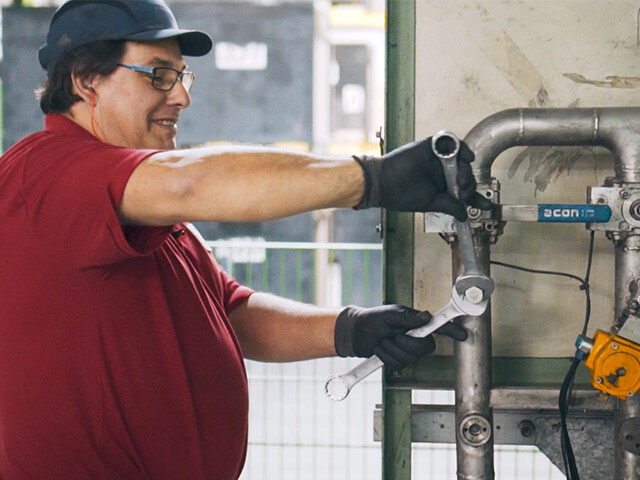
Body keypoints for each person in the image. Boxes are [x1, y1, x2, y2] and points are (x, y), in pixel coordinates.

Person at [0, 1, 491, 479]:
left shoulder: (139, 209)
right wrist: (373, 179)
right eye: (158, 75)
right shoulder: (43, 171)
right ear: (86, 81)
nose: (181, 97)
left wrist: (350, 330)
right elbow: (187, 181)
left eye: (180, 76)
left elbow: (230, 312)